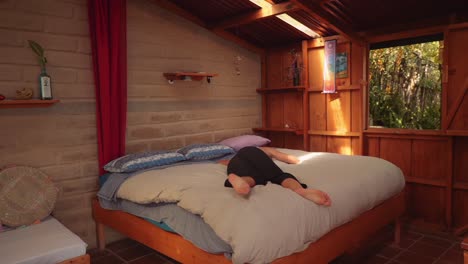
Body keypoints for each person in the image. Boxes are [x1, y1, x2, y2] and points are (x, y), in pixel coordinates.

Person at [221, 146, 331, 206]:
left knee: (253, 178)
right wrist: (293, 159)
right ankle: (299, 190)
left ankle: (242, 181)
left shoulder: (233, 159)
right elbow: (289, 159)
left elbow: (223, 163)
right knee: (278, 176)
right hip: (252, 153)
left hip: (234, 165)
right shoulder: (258, 149)